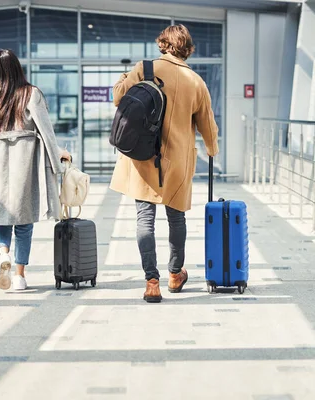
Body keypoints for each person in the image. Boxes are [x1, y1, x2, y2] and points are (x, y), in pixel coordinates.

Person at [110, 25, 219, 303]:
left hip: (143, 156)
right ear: (188, 49)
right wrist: (212, 149)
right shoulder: (195, 81)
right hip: (177, 160)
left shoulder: (144, 68)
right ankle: (174, 274)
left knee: (144, 219)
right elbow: (208, 125)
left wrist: (125, 76)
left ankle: (151, 281)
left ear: (162, 44)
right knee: (176, 217)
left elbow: (118, 98)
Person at [0, 49, 70, 291]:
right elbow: (45, 131)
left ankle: (3, 253)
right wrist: (57, 161)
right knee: (24, 220)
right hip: (25, 161)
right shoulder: (31, 94)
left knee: (0, 214)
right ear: (17, 68)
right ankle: (19, 276)